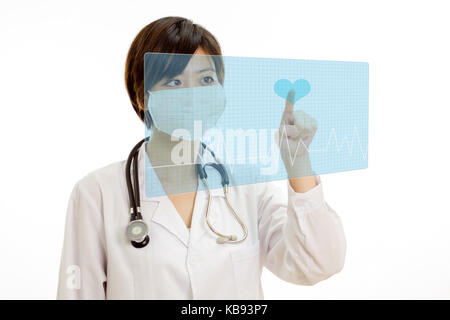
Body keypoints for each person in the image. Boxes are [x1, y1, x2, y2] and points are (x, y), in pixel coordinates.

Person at [57, 16, 346, 300]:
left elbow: (316, 264)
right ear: (142, 96)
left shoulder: (247, 186)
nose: (194, 95)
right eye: (173, 82)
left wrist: (298, 163)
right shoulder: (98, 193)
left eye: (206, 79)